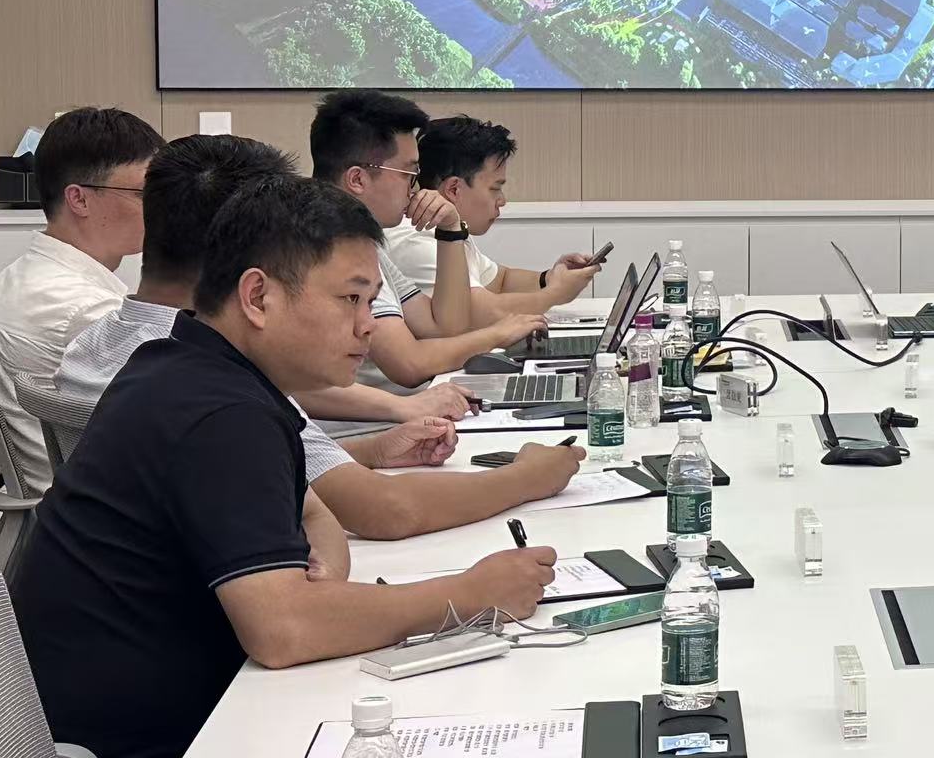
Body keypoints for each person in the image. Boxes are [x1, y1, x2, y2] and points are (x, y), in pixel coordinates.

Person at [14, 176, 559, 758]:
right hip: (151, 738)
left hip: (178, 704)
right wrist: (471, 593)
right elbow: (284, 629)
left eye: (371, 302)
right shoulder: (220, 412)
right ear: (257, 297)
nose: (367, 325)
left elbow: (312, 510)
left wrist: (317, 569)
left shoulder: (190, 364)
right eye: (350, 299)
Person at [57, 135, 582, 541]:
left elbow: (267, 469)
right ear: (252, 272)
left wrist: (374, 450)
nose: (363, 322)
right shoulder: (210, 378)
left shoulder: (98, 345)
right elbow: (385, 510)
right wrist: (529, 477)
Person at [309, 90, 546, 398]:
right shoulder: (331, 246)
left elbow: (444, 327)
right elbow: (409, 365)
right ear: (357, 179)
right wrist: (497, 335)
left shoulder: (367, 242)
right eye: (409, 174)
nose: (416, 188)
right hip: (379, 420)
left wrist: (450, 229)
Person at [0, 106, 162, 490]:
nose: (162, 207)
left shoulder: (21, 275)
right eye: (144, 192)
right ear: (79, 199)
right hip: (98, 502)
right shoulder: (87, 309)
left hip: (60, 490)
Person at [385, 114, 599, 318]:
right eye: (495, 188)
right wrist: (556, 293)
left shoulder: (450, 228)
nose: (502, 200)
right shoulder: (416, 237)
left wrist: (550, 277)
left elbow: (501, 281)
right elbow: (479, 312)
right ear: (454, 189)